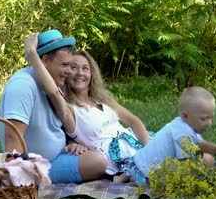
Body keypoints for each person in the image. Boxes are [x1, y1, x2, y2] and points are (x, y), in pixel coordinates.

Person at [24, 32, 152, 183]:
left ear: (92, 74)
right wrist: (32, 54)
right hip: (114, 160)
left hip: (136, 145)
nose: (79, 73)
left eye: (85, 68)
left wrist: (150, 149)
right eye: (73, 67)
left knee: (175, 140)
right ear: (66, 72)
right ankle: (130, 174)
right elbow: (52, 91)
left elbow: (134, 121)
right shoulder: (68, 108)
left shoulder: (103, 100)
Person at [0, 29, 107, 184]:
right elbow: (12, 137)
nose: (69, 71)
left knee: (98, 157)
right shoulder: (23, 85)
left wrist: (71, 144)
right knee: (97, 163)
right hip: (34, 165)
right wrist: (17, 178)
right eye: (65, 65)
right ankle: (32, 180)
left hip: (58, 155)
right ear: (45, 60)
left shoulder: (54, 84)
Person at [127, 86, 216, 185]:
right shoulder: (182, 135)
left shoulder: (181, 124)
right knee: (203, 163)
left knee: (207, 158)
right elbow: (187, 164)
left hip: (136, 163)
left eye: (211, 118)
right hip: (148, 175)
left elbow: (201, 144)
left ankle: (124, 176)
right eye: (204, 118)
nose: (209, 123)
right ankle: (135, 178)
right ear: (185, 115)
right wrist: (206, 180)